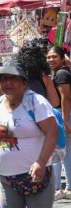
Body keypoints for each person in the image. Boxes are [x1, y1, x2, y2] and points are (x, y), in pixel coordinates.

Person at [0, 59, 57, 208]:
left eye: (13, 78)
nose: (8, 83)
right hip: (6, 178)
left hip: (36, 178)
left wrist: (41, 162)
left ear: (24, 82)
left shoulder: (36, 102)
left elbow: (51, 133)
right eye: (3, 79)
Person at [0, 40, 60, 131]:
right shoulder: (44, 77)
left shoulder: (8, 76)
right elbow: (55, 102)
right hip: (39, 124)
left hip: (12, 121)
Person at [48, 47, 71, 200]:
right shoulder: (61, 72)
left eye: (54, 56)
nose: (50, 59)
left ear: (63, 58)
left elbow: (66, 98)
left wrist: (65, 120)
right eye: (48, 57)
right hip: (64, 116)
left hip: (65, 116)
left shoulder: (62, 73)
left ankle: (64, 188)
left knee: (63, 152)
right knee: (65, 153)